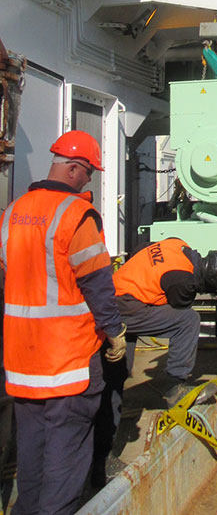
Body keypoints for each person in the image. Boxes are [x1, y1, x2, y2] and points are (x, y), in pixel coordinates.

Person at [0, 130, 126, 515]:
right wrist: (116, 332)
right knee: (65, 459)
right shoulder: (76, 214)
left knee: (32, 459)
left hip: (22, 363)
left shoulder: (13, 213)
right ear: (73, 169)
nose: (90, 181)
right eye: (88, 173)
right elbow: (97, 282)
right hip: (68, 363)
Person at [91, 238, 217, 485]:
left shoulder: (178, 244)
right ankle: (176, 388)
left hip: (116, 293)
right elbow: (178, 308)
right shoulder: (184, 280)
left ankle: (100, 466)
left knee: (117, 376)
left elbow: (142, 247)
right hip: (125, 306)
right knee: (188, 321)